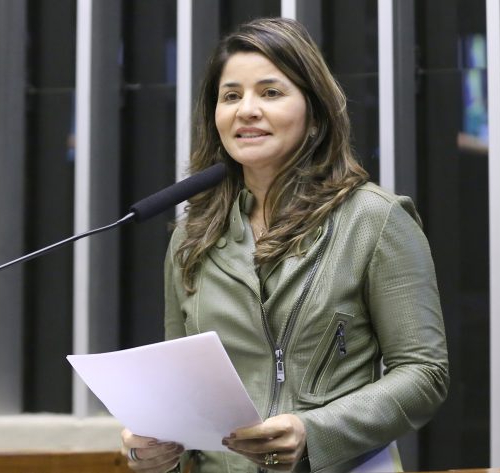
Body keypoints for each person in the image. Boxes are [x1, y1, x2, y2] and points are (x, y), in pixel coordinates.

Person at [121, 17, 449, 473]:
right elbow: (181, 387)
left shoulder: (374, 220)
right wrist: (153, 449)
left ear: (314, 113)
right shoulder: (191, 237)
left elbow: (424, 373)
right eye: (231, 95)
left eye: (270, 93)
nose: (246, 110)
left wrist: (314, 431)